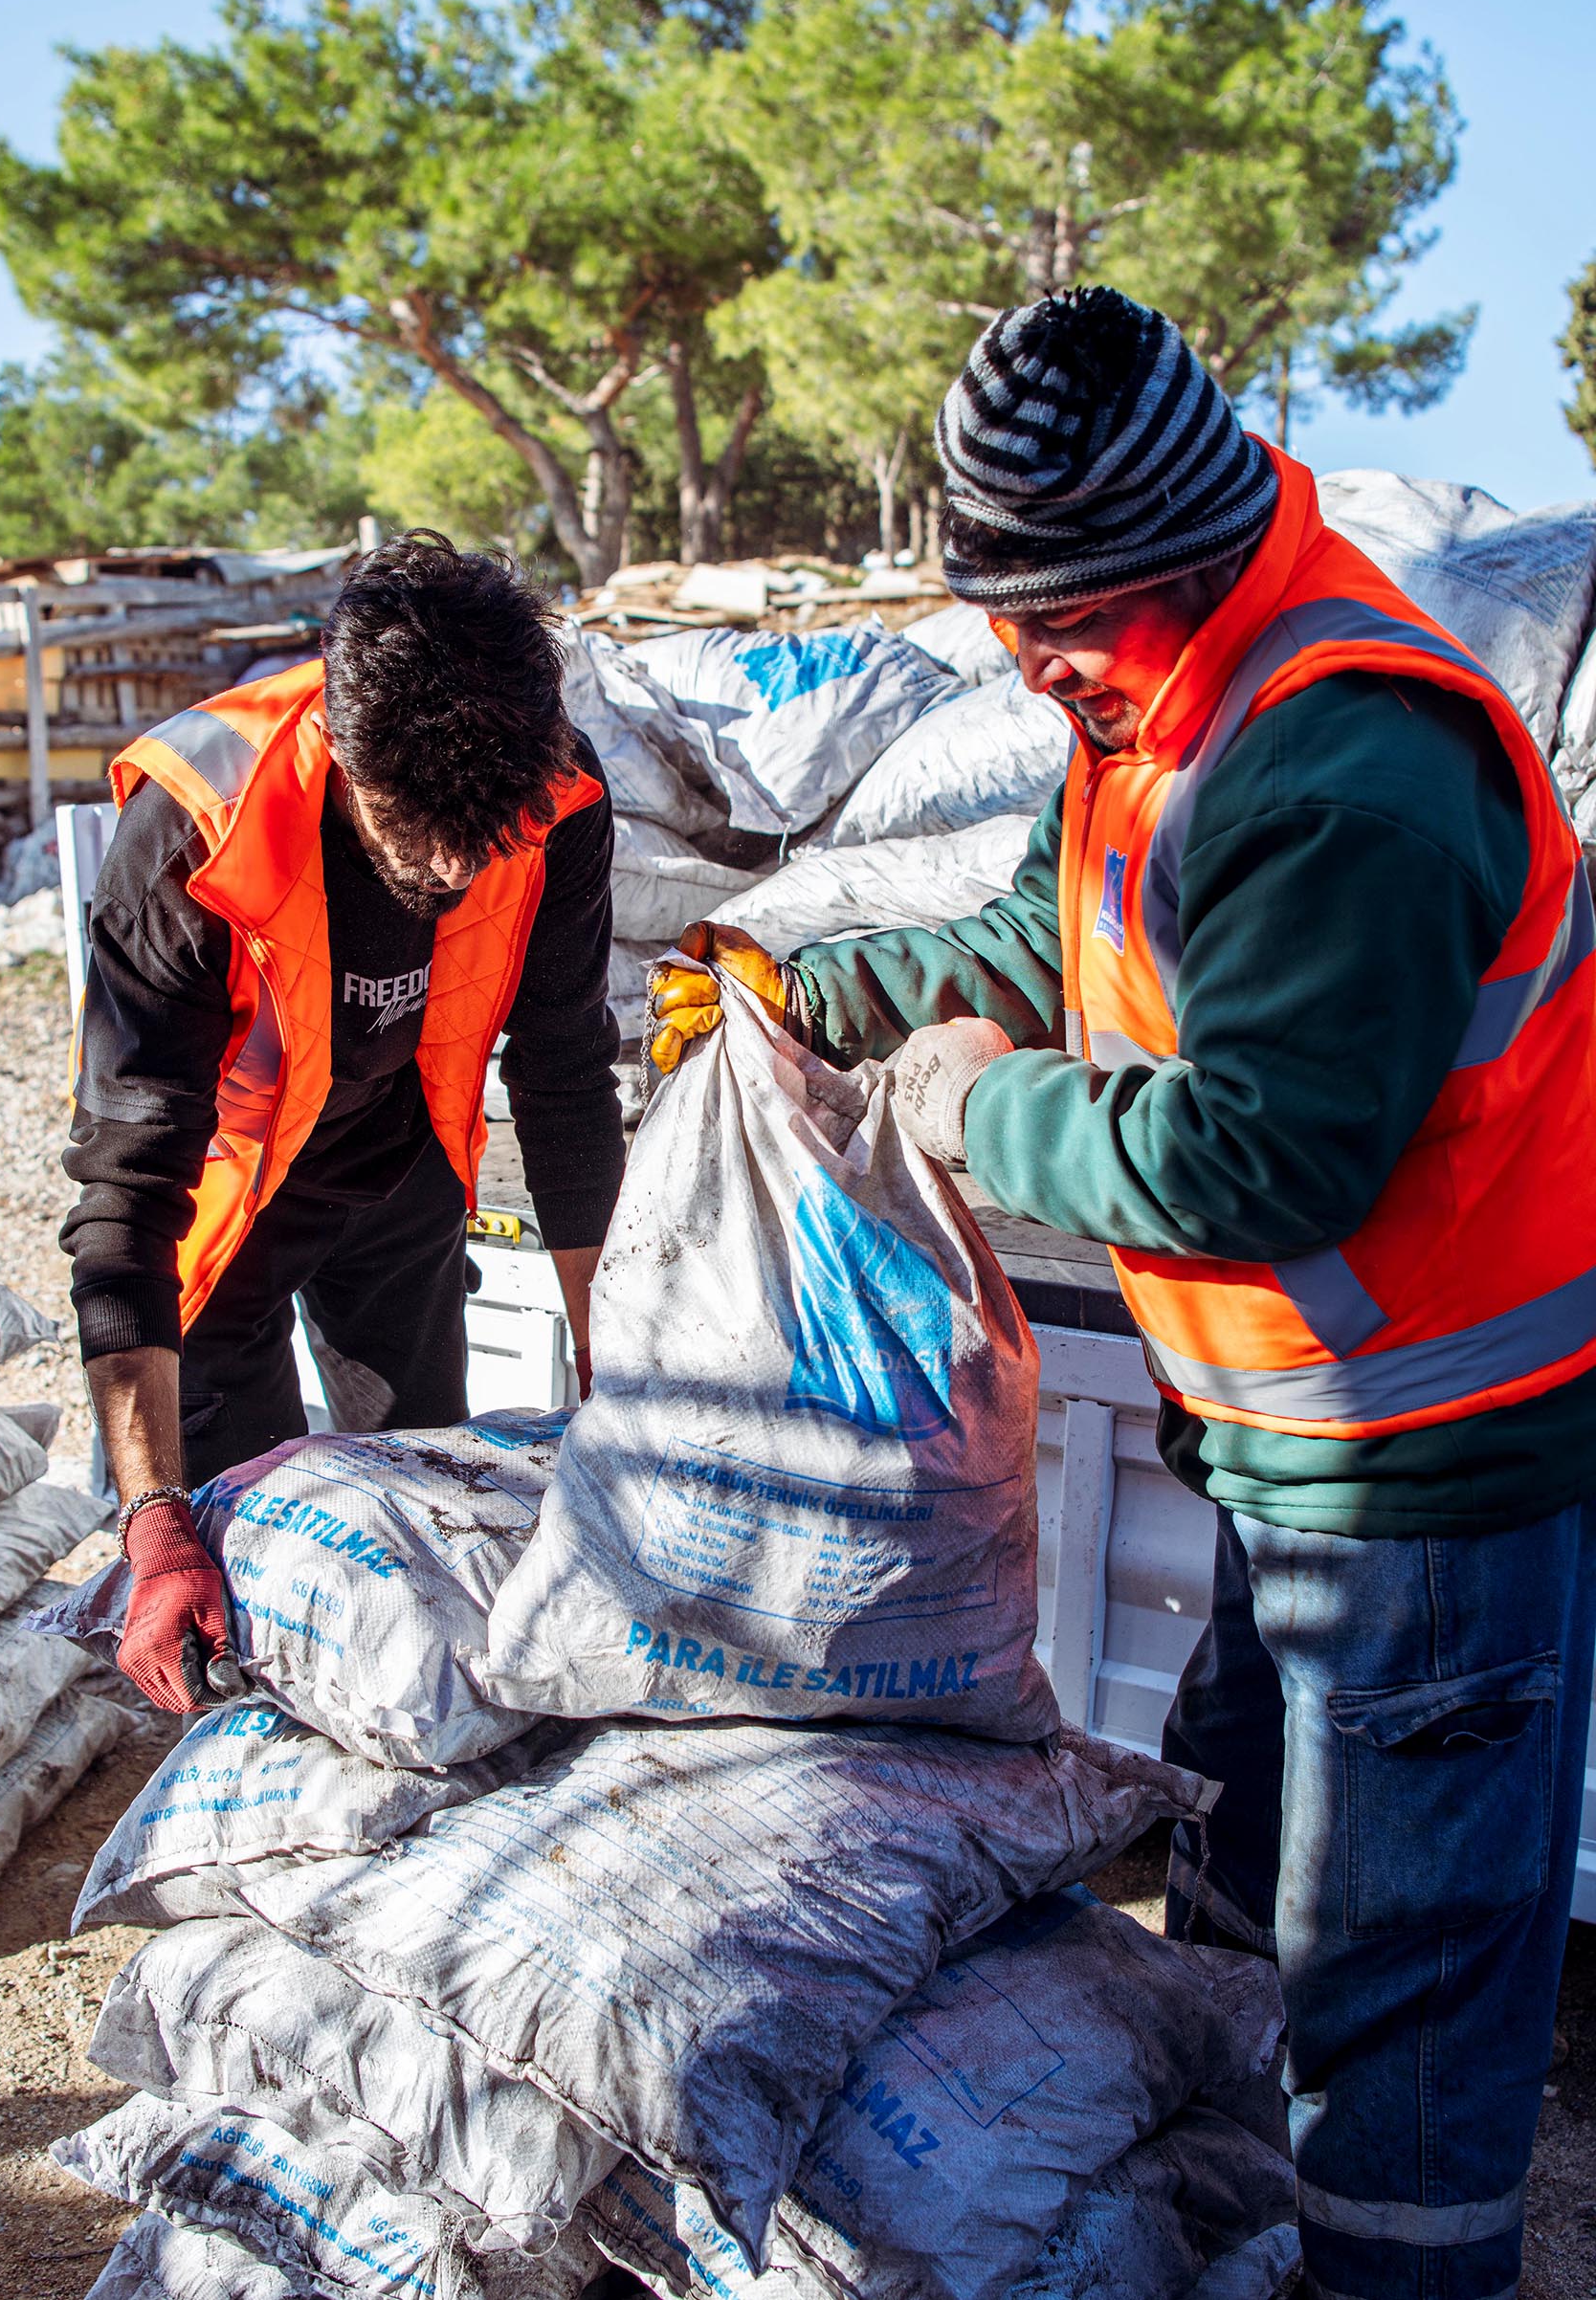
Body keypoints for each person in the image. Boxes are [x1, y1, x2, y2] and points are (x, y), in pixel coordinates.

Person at [652, 287, 1596, 2300]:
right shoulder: (1162, 707)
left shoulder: (1348, 760)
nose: (1022, 656)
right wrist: (809, 990)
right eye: (1001, 614)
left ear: (1168, 559)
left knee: (1398, 2009)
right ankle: (1249, 2232)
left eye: (1052, 613)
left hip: (1426, 1492)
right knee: (1247, 1893)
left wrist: (982, 1113)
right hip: (1291, 1461)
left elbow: (1257, 1157)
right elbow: (1042, 930)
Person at [63, 531, 624, 1716]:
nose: (453, 865)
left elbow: (567, 1081)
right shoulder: (198, 822)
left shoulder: (554, 797)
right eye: (414, 834)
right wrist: (154, 1525)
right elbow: (127, 1177)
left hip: (399, 1169)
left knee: (430, 1531)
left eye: (485, 841)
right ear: (341, 746)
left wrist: (613, 1375)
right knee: (247, 1581)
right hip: (222, 1221)